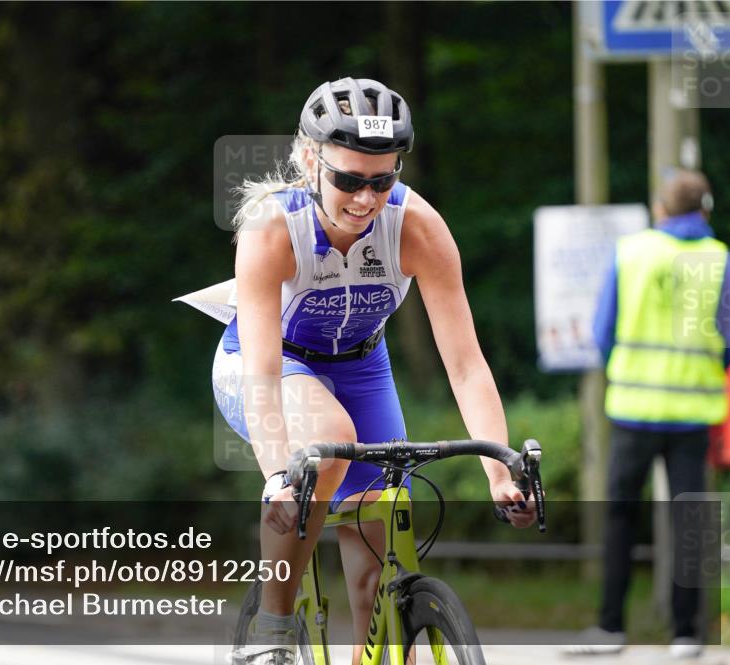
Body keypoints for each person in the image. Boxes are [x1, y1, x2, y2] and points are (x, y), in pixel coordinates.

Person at [211, 77, 538, 665]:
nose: (366, 199)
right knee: (327, 451)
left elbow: (465, 365)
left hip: (363, 366)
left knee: (379, 563)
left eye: (382, 181)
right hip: (267, 362)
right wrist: (275, 477)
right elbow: (262, 371)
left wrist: (499, 470)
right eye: (349, 180)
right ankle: (274, 630)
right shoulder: (271, 229)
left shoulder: (418, 227)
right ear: (310, 160)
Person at [565, 169, 730, 659]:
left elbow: (602, 333)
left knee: (618, 516)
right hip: (692, 413)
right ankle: (686, 634)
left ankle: (610, 627)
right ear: (703, 209)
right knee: (688, 520)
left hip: (632, 409)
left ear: (661, 207)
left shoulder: (632, 253)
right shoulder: (720, 258)